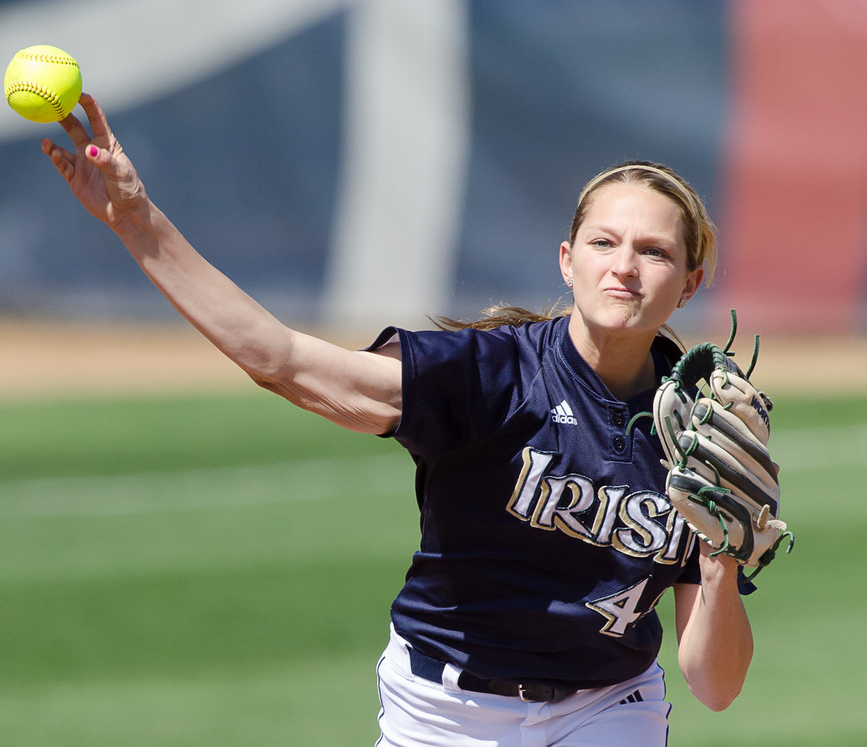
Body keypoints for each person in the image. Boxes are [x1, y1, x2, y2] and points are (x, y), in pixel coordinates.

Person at [42, 93, 755, 746]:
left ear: (689, 282)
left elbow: (714, 687)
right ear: (566, 261)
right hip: (447, 713)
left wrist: (720, 556)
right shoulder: (489, 375)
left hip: (609, 707)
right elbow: (281, 360)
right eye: (603, 243)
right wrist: (137, 221)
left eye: (653, 252)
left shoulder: (699, 428)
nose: (623, 267)